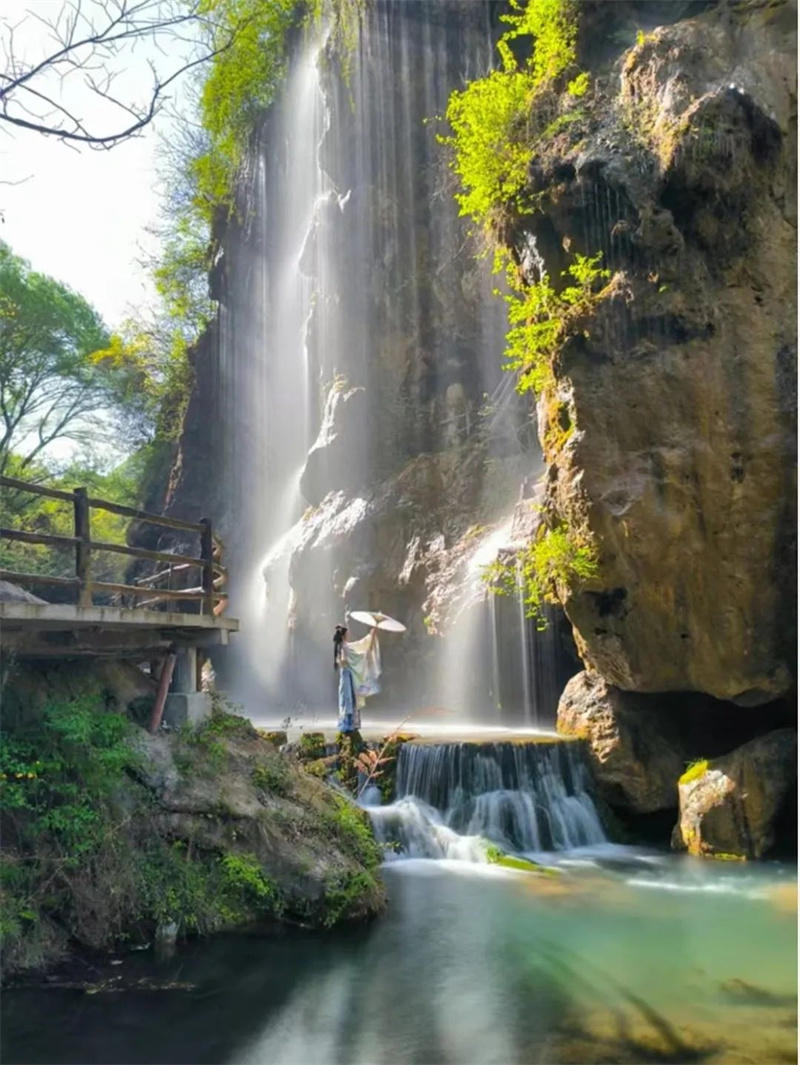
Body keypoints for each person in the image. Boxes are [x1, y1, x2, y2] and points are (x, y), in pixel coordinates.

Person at [333, 623, 381, 732]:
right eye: (348, 633)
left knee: (347, 699)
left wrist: (371, 636)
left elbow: (359, 645)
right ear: (344, 635)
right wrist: (365, 655)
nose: (349, 634)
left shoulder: (343, 646)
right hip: (348, 676)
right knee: (349, 698)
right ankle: (349, 726)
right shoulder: (344, 647)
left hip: (346, 676)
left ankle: (348, 725)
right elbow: (356, 655)